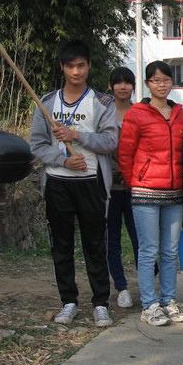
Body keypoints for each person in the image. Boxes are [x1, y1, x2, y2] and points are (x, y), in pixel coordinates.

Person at [30, 39, 118, 327]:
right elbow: (37, 145)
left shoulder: (102, 103)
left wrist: (77, 136)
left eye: (81, 65)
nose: (76, 71)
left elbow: (109, 142)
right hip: (58, 183)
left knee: (95, 244)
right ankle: (68, 301)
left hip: (91, 182)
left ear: (89, 66)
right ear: (62, 67)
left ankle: (100, 303)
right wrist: (62, 159)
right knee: (62, 244)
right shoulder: (46, 102)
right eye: (70, 66)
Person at [118, 61, 183, 327]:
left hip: (174, 193)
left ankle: (168, 300)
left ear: (172, 83)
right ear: (147, 84)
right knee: (148, 251)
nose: (161, 84)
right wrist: (135, 182)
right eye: (155, 80)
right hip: (145, 191)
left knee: (171, 251)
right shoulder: (137, 114)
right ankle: (149, 305)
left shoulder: (181, 115)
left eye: (166, 80)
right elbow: (125, 155)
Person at [106, 67, 139, 309]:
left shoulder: (140, 113)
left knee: (140, 239)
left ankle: (146, 284)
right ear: (111, 86)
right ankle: (121, 287)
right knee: (113, 240)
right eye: (118, 82)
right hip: (109, 187)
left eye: (127, 82)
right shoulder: (102, 114)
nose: (123, 87)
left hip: (136, 186)